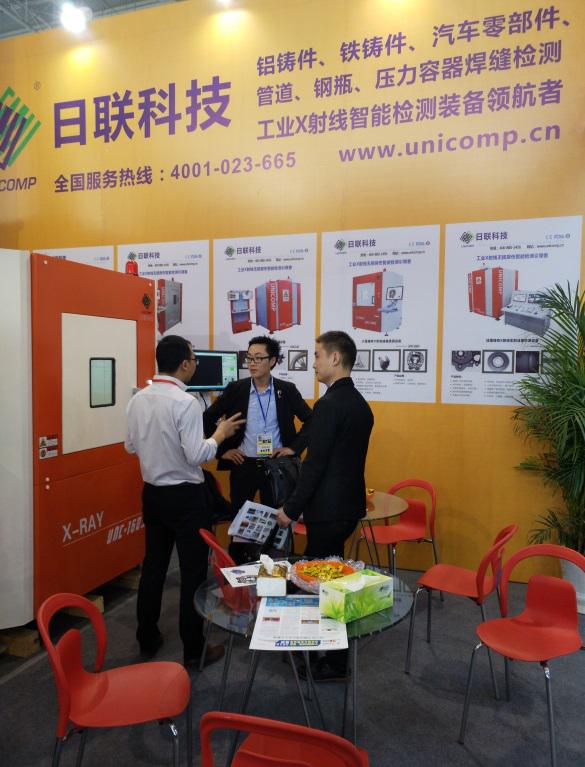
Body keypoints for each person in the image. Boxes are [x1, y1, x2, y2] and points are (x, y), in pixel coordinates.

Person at [125, 335, 245, 668]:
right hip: (186, 499)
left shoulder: (138, 398)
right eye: (194, 359)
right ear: (184, 364)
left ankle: (147, 638)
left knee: (154, 566)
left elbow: (130, 446)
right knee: (192, 573)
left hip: (153, 494)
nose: (195, 364)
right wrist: (219, 435)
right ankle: (194, 650)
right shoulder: (186, 402)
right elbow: (197, 455)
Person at [276, 330, 374, 680]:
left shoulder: (329, 405)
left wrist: (290, 508)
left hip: (329, 511)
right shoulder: (359, 403)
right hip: (346, 507)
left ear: (335, 357)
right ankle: (327, 654)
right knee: (329, 579)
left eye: (317, 355)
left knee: (322, 583)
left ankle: (331, 661)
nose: (313, 363)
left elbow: (315, 465)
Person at [203, 336, 312, 540]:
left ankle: (272, 558)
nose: (252, 363)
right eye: (249, 358)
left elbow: (311, 420)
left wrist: (293, 448)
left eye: (258, 358)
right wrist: (222, 450)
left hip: (277, 466)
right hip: (243, 464)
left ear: (272, 361)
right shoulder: (236, 389)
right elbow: (208, 417)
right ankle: (240, 558)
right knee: (240, 521)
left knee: (276, 521)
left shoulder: (286, 390)